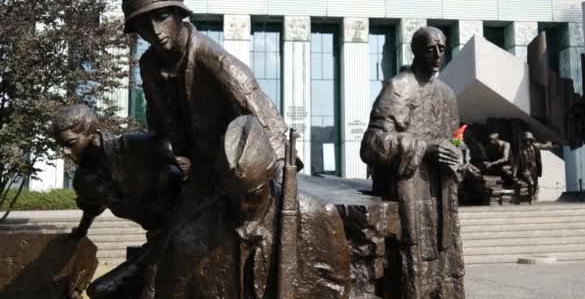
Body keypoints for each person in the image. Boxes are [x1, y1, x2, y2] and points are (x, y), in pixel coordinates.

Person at [121, 0, 289, 197]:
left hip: (237, 167)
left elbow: (264, 115)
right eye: (143, 24)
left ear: (178, 14)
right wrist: (174, 155)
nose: (155, 30)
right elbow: (160, 123)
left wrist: (280, 173)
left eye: (161, 17)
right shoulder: (149, 65)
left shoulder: (211, 57)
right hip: (197, 168)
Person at [153, 116, 351, 298]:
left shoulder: (317, 218)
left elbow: (336, 291)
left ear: (271, 176)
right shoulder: (189, 236)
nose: (241, 206)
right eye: (231, 196)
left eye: (252, 196)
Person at [360, 27, 465, 298]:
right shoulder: (399, 87)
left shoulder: (447, 95)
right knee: (410, 271)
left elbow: (456, 141)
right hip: (408, 195)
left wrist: (459, 154)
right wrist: (425, 147)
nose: (438, 55)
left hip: (442, 196)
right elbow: (371, 144)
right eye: (431, 48)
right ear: (416, 51)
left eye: (442, 48)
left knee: (445, 270)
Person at [51, 104, 183, 298]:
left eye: (70, 143)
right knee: (100, 291)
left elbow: (183, 166)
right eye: (63, 146)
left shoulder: (139, 147)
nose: (66, 153)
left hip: (184, 233)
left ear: (89, 132)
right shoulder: (85, 180)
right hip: (156, 243)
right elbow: (91, 206)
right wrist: (80, 232)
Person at [518, 131, 555, 204]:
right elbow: (517, 162)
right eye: (526, 140)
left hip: (535, 169)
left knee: (535, 184)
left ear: (531, 140)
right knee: (531, 183)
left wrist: (553, 143)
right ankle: (530, 199)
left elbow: (545, 146)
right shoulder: (521, 150)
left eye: (529, 140)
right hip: (526, 169)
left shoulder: (536, 146)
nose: (527, 142)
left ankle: (533, 196)